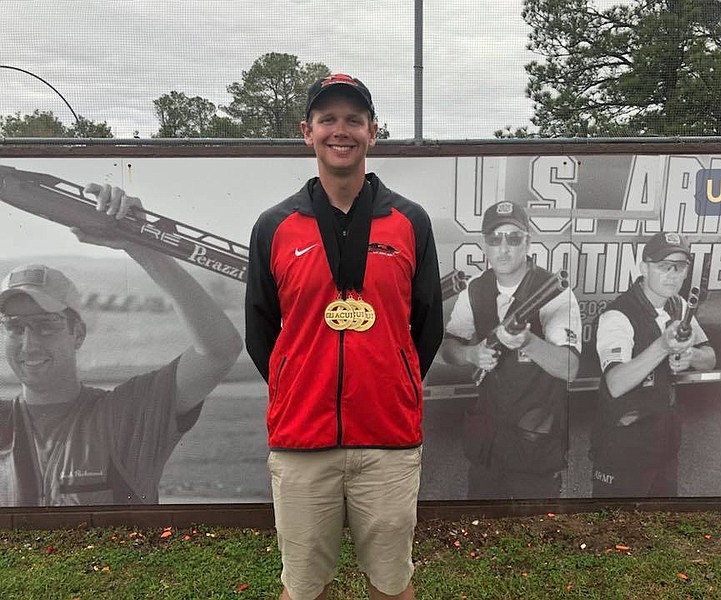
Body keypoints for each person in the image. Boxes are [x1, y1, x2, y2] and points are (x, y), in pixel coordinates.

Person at [245, 73, 443, 600]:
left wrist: (388, 378)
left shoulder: (409, 222)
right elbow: (261, 331)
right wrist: (299, 381)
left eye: (354, 120)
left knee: (392, 582)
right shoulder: (275, 225)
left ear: (373, 132)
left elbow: (426, 325)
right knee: (304, 587)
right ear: (306, 132)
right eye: (327, 119)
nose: (341, 130)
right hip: (303, 440)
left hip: (387, 439)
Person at [0, 185, 243, 506]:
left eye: (46, 325)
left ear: (78, 333)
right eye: (15, 327)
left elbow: (218, 350)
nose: (29, 344)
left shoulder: (127, 414)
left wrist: (142, 245)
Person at [439, 201, 582, 499]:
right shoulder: (475, 290)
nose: (504, 248)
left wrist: (529, 342)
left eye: (514, 238)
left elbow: (569, 368)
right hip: (487, 443)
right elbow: (449, 348)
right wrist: (472, 354)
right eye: (495, 239)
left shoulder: (553, 293)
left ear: (527, 241)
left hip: (534, 443)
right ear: (485, 244)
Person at [590, 232, 716, 497]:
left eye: (679, 267)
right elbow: (615, 383)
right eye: (663, 265)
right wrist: (662, 347)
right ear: (644, 268)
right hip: (624, 445)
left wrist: (689, 356)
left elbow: (710, 357)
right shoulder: (618, 314)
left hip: (664, 443)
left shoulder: (679, 305)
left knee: (663, 526)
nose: (672, 274)